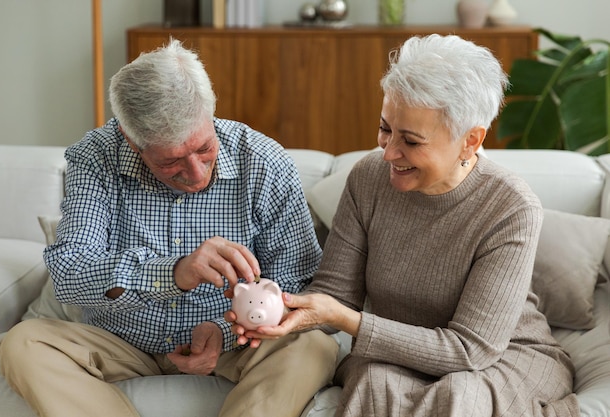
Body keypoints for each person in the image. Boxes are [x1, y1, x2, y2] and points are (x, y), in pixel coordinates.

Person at [238, 34, 580, 416]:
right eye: (386, 128)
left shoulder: (510, 208)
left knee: (459, 397)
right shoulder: (368, 178)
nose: (388, 152)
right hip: (395, 354)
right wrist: (280, 313)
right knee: (373, 383)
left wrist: (345, 319)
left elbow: (469, 351)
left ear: (470, 141)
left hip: (497, 358)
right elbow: (336, 295)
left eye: (411, 141)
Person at [0, 39, 338, 417]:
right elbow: (70, 273)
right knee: (23, 343)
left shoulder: (265, 162)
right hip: (120, 340)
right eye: (171, 161)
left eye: (204, 148)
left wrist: (227, 330)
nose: (196, 173)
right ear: (131, 139)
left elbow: (300, 282)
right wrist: (173, 272)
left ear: (211, 113)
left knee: (313, 347)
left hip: (237, 345)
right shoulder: (95, 157)